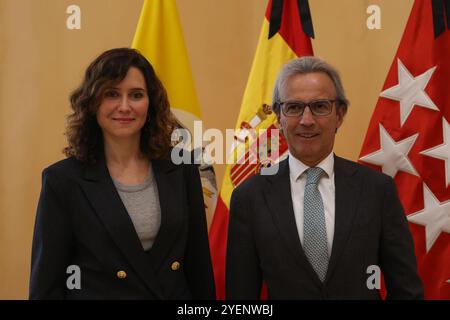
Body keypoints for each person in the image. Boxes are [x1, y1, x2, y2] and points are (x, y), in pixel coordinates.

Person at [226, 56, 423, 299]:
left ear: (339, 115)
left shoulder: (377, 190)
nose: (306, 120)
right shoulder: (249, 198)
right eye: (294, 107)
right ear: (279, 118)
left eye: (320, 106)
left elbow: (406, 290)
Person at [29, 48, 215, 299]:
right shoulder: (62, 181)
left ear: (151, 104)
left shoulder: (182, 168)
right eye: (112, 94)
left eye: (136, 95)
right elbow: (46, 285)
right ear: (93, 103)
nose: (125, 106)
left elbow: (198, 267)